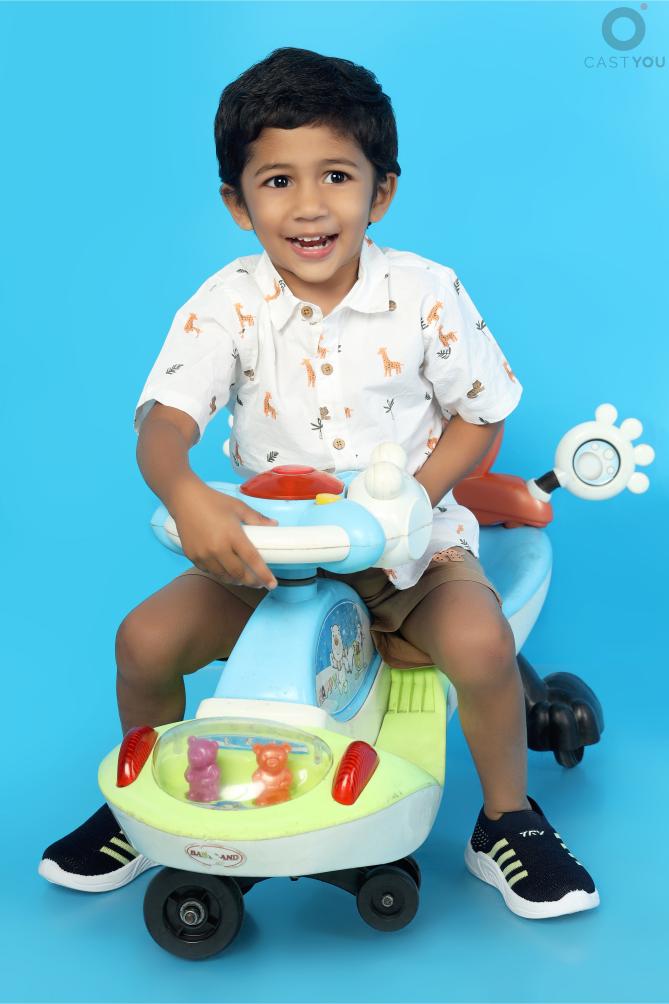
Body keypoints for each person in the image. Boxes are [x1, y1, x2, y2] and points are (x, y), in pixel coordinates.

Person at [39, 47, 599, 919]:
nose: (308, 206)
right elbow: (162, 424)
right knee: (142, 641)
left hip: (411, 554)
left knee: (482, 646)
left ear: (381, 192)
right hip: (276, 563)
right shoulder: (226, 304)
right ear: (237, 203)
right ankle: (141, 806)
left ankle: (505, 820)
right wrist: (185, 494)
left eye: (336, 176)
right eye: (276, 181)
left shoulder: (426, 293)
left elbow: (480, 415)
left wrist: (415, 493)